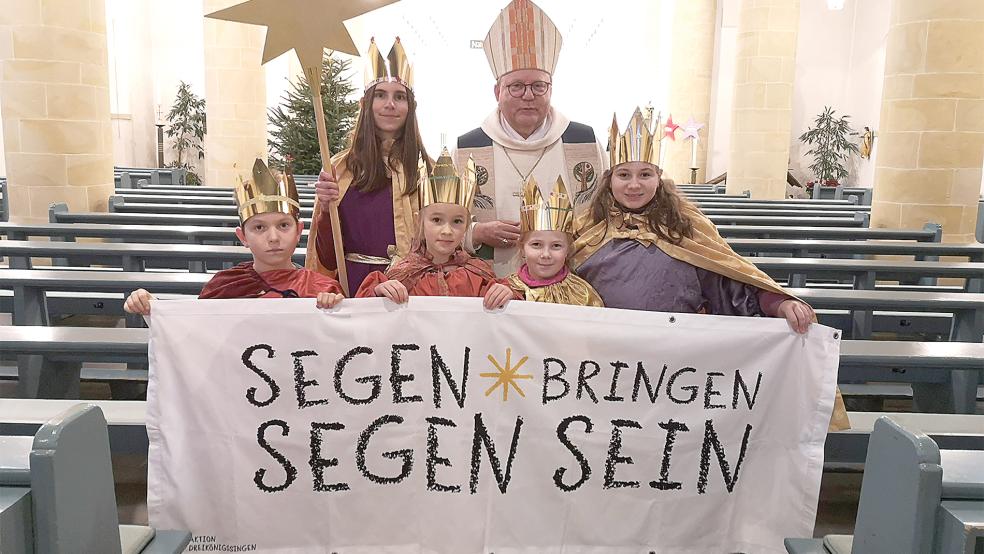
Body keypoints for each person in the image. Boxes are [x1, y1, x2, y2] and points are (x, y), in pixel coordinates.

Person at [574, 110, 849, 430]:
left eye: (645, 174)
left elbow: (730, 282)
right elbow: (551, 284)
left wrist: (778, 303)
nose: (634, 185)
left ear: (659, 177)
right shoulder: (585, 228)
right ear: (610, 179)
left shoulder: (687, 227)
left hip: (675, 366)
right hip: (604, 365)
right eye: (624, 175)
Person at [455, 0, 606, 276]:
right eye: (516, 86)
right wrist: (476, 232)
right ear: (497, 91)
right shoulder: (468, 149)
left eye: (539, 86)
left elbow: (608, 215)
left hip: (568, 286)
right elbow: (440, 223)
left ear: (551, 89)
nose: (528, 95)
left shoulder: (584, 143)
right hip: (491, 286)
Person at [124, 159, 344, 315]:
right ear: (242, 236)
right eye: (259, 228)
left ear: (299, 231)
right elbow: (193, 332)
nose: (273, 237)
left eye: (284, 225)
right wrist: (152, 307)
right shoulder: (225, 286)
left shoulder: (321, 288)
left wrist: (336, 309)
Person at [306, 37, 429, 295]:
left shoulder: (425, 169)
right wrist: (327, 212)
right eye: (380, 95)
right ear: (366, 105)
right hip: (354, 288)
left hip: (412, 290)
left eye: (400, 97)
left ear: (411, 107)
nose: (390, 104)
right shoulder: (340, 167)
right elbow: (327, 259)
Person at [355, 150, 515, 310]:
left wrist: (506, 292)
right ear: (420, 222)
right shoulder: (403, 275)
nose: (447, 230)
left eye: (457, 221)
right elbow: (365, 313)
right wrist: (379, 293)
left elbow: (509, 315)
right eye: (437, 220)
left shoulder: (479, 275)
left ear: (466, 226)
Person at [505, 175, 603, 306]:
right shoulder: (507, 289)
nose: (546, 254)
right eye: (536, 244)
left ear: (568, 250)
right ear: (522, 248)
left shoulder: (582, 295)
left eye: (556, 246)